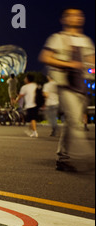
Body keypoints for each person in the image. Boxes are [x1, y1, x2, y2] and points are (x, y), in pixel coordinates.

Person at [39, 7, 95, 172]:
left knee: (72, 123)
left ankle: (62, 158)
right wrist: (69, 64)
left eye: (79, 15)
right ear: (64, 19)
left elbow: (92, 62)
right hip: (66, 86)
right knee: (74, 122)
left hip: (81, 88)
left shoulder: (85, 41)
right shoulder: (58, 39)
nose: (77, 18)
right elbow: (46, 57)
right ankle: (88, 156)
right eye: (72, 15)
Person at [16, 74, 40, 138]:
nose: (24, 79)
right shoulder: (35, 85)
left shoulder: (25, 87)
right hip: (36, 104)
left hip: (30, 105)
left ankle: (35, 132)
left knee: (32, 119)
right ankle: (31, 130)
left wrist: (15, 101)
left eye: (25, 78)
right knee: (32, 119)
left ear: (27, 79)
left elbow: (20, 96)